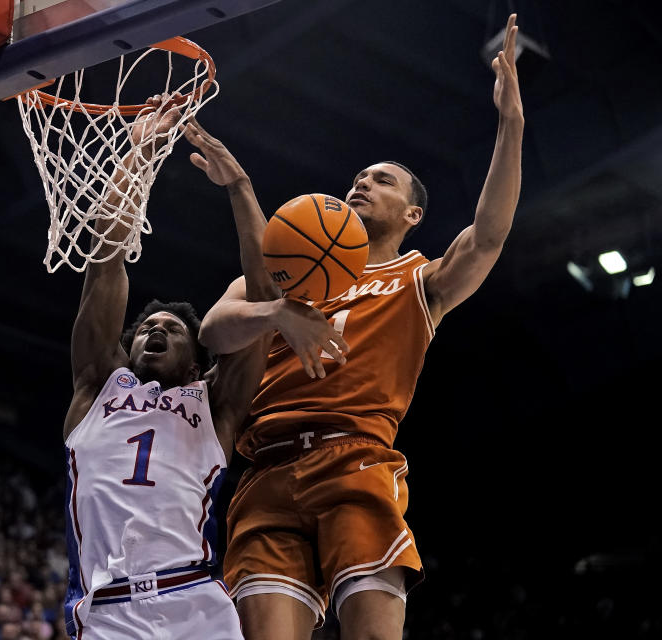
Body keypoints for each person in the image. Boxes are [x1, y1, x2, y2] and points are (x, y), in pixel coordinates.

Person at [197, 14, 525, 640]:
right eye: (359, 176)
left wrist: (510, 124)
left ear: (413, 212)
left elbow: (488, 236)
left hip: (355, 460)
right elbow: (214, 331)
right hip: (265, 467)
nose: (362, 183)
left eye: (383, 179)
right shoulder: (283, 275)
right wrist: (276, 314)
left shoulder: (419, 278)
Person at [60, 96, 289, 639]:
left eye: (172, 328)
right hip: (107, 609)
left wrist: (240, 187)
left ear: (196, 362)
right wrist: (137, 154)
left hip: (195, 602)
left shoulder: (214, 404)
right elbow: (106, 257)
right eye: (145, 328)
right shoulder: (97, 385)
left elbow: (263, 298)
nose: (155, 330)